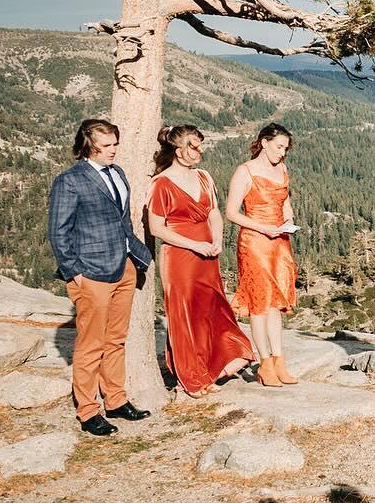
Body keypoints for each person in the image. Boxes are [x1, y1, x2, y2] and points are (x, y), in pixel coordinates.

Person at [48, 118, 154, 436]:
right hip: (91, 272)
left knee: (116, 339)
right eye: (105, 146)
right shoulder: (70, 181)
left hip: (123, 266)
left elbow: (124, 220)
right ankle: (88, 410)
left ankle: (117, 400)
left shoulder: (117, 174)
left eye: (114, 144)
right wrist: (74, 273)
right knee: (90, 344)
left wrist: (135, 259)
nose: (113, 150)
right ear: (87, 147)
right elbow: (58, 231)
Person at [147, 124, 254, 398]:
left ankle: (218, 362)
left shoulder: (204, 177)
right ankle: (191, 375)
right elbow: (157, 229)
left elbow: (214, 213)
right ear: (178, 150)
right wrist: (195, 244)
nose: (200, 151)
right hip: (180, 256)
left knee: (212, 307)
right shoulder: (161, 184)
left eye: (199, 145)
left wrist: (216, 240)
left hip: (208, 254)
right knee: (185, 312)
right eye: (194, 146)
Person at [226, 123, 299, 388]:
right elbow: (232, 212)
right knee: (259, 303)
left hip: (279, 239)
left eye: (286, 149)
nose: (282, 153)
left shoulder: (281, 168)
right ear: (264, 142)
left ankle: (279, 361)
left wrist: (288, 215)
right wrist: (263, 228)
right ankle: (264, 363)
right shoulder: (245, 172)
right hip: (255, 240)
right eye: (279, 147)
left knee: (276, 302)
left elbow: (284, 199)